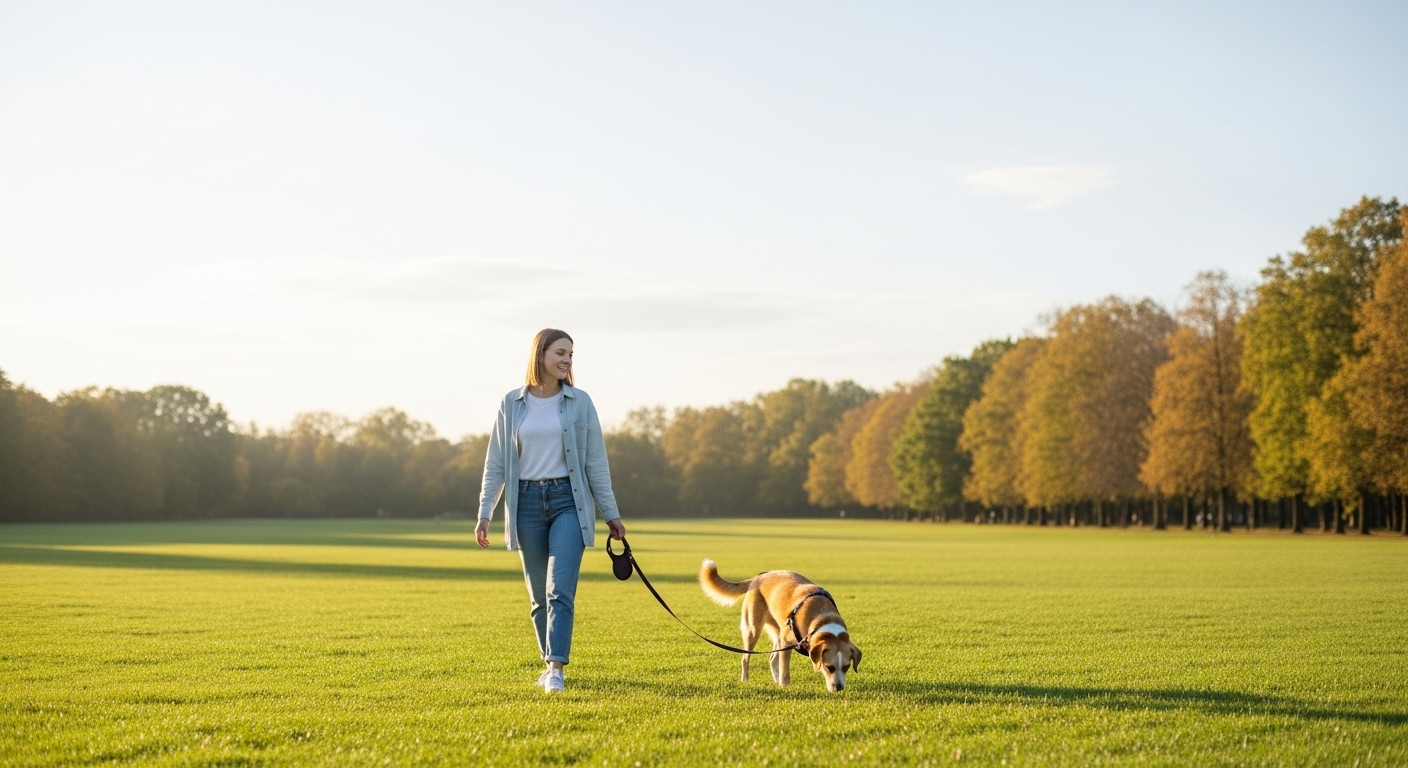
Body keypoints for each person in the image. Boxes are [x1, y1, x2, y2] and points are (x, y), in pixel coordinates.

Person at [476, 328, 626, 694]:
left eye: (571, 355)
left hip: (568, 502)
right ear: (540, 354)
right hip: (525, 502)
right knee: (537, 595)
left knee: (560, 589)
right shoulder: (511, 403)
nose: (567, 360)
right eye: (561, 352)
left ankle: (556, 668)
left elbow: (595, 463)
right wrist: (484, 512)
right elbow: (496, 462)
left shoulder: (580, 402)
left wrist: (611, 513)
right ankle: (548, 662)